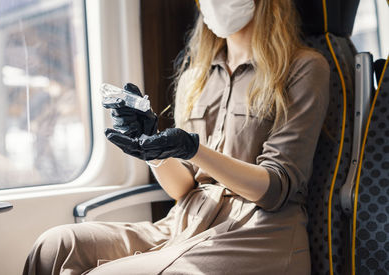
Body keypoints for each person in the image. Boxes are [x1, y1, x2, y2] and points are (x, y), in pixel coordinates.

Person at [23, 0, 330, 274]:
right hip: (187, 220)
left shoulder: (304, 67)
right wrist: (152, 146)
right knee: (55, 246)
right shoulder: (196, 74)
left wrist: (192, 149)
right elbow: (183, 188)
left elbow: (275, 188)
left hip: (258, 232)